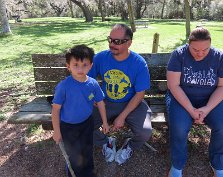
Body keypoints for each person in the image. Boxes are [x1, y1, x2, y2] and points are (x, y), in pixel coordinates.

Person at [166, 27, 223, 177]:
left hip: (210, 99)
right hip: (181, 98)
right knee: (179, 127)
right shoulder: (178, 55)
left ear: (210, 45)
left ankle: (217, 164)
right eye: (195, 50)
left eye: (205, 50)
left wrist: (207, 108)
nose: (200, 54)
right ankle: (177, 165)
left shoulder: (220, 57)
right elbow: (173, 85)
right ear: (188, 44)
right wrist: (191, 110)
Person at [88, 23, 152, 165]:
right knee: (81, 125)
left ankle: (130, 145)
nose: (112, 44)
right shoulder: (100, 58)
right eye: (110, 39)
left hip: (132, 104)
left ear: (128, 43)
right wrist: (92, 96)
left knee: (145, 132)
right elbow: (87, 81)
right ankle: (107, 142)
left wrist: (122, 117)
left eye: (117, 41)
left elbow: (140, 94)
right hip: (106, 102)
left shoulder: (139, 63)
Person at [52, 44, 109, 177]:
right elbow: (55, 110)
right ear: (68, 66)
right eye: (76, 64)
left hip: (87, 123)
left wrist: (105, 122)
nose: (80, 69)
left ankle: (89, 173)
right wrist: (57, 130)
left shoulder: (93, 83)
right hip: (68, 127)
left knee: (87, 150)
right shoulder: (64, 86)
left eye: (85, 65)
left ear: (90, 65)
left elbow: (100, 102)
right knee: (74, 155)